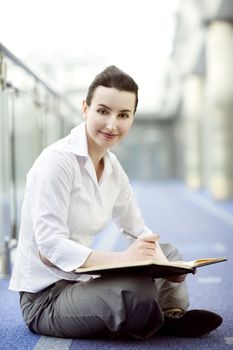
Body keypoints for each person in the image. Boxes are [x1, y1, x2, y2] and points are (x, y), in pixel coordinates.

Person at [9, 65, 222, 339]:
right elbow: (49, 249)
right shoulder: (57, 162)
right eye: (103, 111)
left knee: (167, 251)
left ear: (132, 118)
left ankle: (171, 314)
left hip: (85, 283)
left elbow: (136, 228)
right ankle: (152, 315)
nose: (112, 124)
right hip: (46, 299)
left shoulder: (112, 166)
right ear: (85, 108)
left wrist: (167, 266)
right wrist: (123, 259)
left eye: (123, 115)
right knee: (136, 291)